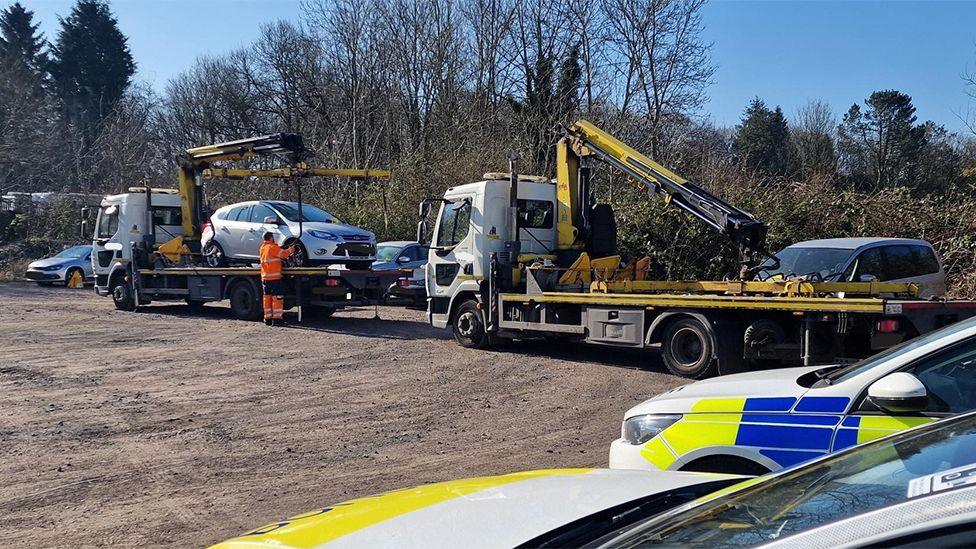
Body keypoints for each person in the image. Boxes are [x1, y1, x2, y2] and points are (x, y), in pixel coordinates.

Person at [259, 232, 296, 325]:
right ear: (271, 238)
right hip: (274, 278)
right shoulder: (272, 247)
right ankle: (277, 319)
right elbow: (284, 254)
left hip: (265, 278)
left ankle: (267, 319)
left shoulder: (262, 248)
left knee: (267, 298)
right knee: (277, 298)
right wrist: (291, 250)